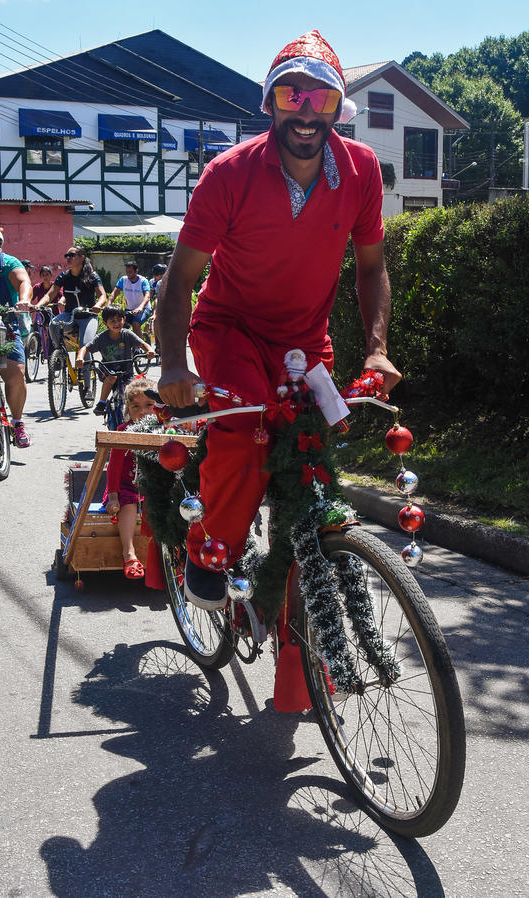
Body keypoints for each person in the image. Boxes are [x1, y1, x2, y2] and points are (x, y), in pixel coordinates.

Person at [157, 30, 401, 610]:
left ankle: (302, 599)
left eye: (322, 99)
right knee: (243, 438)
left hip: (303, 343)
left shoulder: (362, 169)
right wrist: (172, 362)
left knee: (312, 454)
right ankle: (203, 549)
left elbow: (372, 267)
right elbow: (180, 279)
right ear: (269, 103)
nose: (307, 112)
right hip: (228, 331)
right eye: (292, 97)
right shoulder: (227, 173)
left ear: (339, 109)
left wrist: (376, 349)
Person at [102, 376, 158, 579]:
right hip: (126, 485)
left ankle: (169, 558)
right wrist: (114, 495)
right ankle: (129, 553)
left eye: (149, 405)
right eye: (136, 407)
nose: (142, 411)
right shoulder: (124, 432)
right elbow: (114, 467)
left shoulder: (164, 430)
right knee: (129, 503)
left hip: (153, 485)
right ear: (128, 409)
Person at [0, 222, 33, 447]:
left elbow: (23, 280)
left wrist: (24, 299)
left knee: (15, 374)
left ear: (1, 246)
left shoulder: (9, 264)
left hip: (5, 326)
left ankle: (17, 422)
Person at [76, 304, 154, 415]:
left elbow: (143, 344)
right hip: (107, 370)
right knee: (112, 377)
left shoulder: (127, 334)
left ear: (124, 320)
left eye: (119, 320)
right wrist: (80, 358)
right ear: (105, 323)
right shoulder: (101, 337)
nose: (116, 323)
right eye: (112, 321)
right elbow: (85, 348)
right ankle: (102, 402)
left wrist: (149, 350)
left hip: (126, 370)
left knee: (133, 392)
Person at [35, 246, 106, 349]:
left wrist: (98, 305)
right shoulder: (63, 276)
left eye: (71, 255)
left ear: (82, 258)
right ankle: (59, 353)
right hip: (69, 315)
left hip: (88, 316)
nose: (68, 258)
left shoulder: (92, 276)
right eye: (66, 255)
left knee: (84, 347)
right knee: (53, 325)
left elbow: (102, 295)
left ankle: (87, 365)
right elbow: (49, 295)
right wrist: (37, 306)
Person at [107, 261, 151, 339]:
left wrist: (140, 307)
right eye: (127, 272)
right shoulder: (123, 280)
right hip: (129, 309)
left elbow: (147, 296)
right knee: (119, 323)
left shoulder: (143, 281)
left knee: (135, 323)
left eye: (130, 272)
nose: (128, 274)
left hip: (144, 308)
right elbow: (114, 293)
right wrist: (108, 304)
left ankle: (138, 348)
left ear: (136, 271)